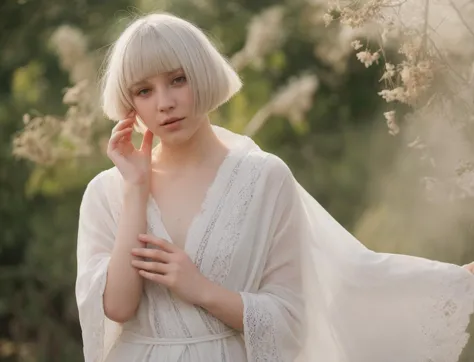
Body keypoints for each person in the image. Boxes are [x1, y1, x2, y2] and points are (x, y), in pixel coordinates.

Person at [75, 12, 474, 362]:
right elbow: (118, 307)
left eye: (178, 80)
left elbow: (296, 314)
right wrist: (136, 188)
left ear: (204, 75)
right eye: (144, 90)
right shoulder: (108, 190)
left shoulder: (264, 177)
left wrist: (202, 290)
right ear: (130, 105)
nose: (164, 103)